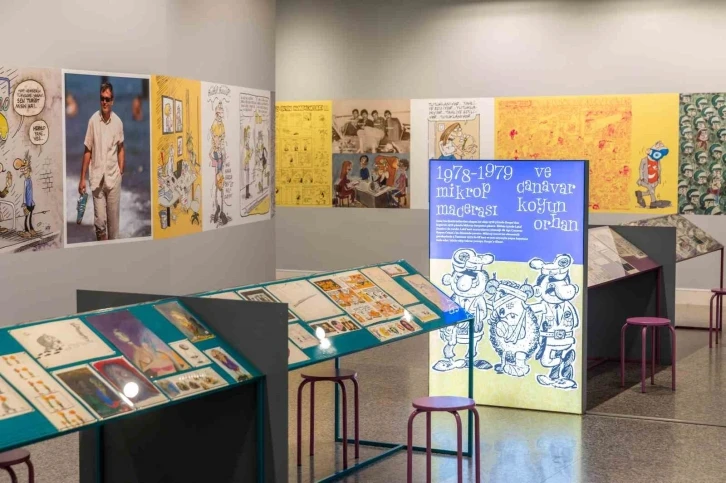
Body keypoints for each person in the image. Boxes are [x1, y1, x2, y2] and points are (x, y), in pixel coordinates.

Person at [79, 82, 125, 241]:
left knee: (114, 230)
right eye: (102, 98)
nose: (104, 102)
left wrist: (121, 170)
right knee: (99, 225)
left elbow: (121, 148)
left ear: (112, 100)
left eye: (107, 99)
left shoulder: (118, 123)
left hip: (113, 179)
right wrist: (82, 179)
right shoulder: (93, 121)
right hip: (97, 179)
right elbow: (87, 150)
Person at [13, 152, 35, 238]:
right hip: (30, 203)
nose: (24, 172)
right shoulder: (28, 181)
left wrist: (27, 203)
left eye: (25, 170)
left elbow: (28, 193)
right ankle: (29, 230)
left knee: (27, 218)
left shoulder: (28, 181)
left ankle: (28, 230)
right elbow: (28, 193)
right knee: (28, 217)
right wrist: (28, 203)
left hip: (29, 203)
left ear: (28, 170)